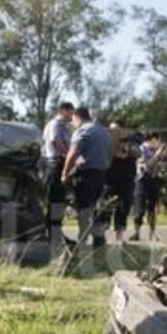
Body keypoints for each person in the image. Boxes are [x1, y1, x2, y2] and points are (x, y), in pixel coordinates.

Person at [60, 106, 111, 250]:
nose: (72, 124)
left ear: (77, 116)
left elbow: (73, 153)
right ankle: (99, 237)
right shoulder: (104, 131)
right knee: (96, 206)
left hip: (86, 173)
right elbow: (110, 153)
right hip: (101, 173)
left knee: (84, 207)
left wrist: (64, 173)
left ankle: (82, 240)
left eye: (73, 120)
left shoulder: (83, 131)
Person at [40, 101, 74, 247]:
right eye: (70, 112)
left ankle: (56, 234)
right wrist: (68, 156)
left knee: (59, 201)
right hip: (54, 164)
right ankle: (52, 236)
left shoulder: (64, 126)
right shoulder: (55, 124)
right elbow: (55, 141)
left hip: (59, 164)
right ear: (63, 111)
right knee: (55, 201)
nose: (72, 116)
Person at [104, 119, 138, 243]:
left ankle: (120, 235)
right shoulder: (106, 142)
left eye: (115, 130)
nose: (113, 132)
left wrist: (125, 147)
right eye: (111, 130)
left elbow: (137, 153)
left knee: (124, 207)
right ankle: (101, 235)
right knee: (106, 206)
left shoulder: (131, 140)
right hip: (109, 179)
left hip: (126, 179)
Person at [129, 130, 165, 242]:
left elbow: (159, 163)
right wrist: (156, 156)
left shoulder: (155, 150)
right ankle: (136, 232)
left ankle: (152, 233)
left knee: (152, 208)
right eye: (158, 140)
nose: (159, 143)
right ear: (152, 139)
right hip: (142, 180)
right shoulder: (142, 149)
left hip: (153, 179)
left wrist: (160, 156)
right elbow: (145, 166)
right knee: (139, 207)